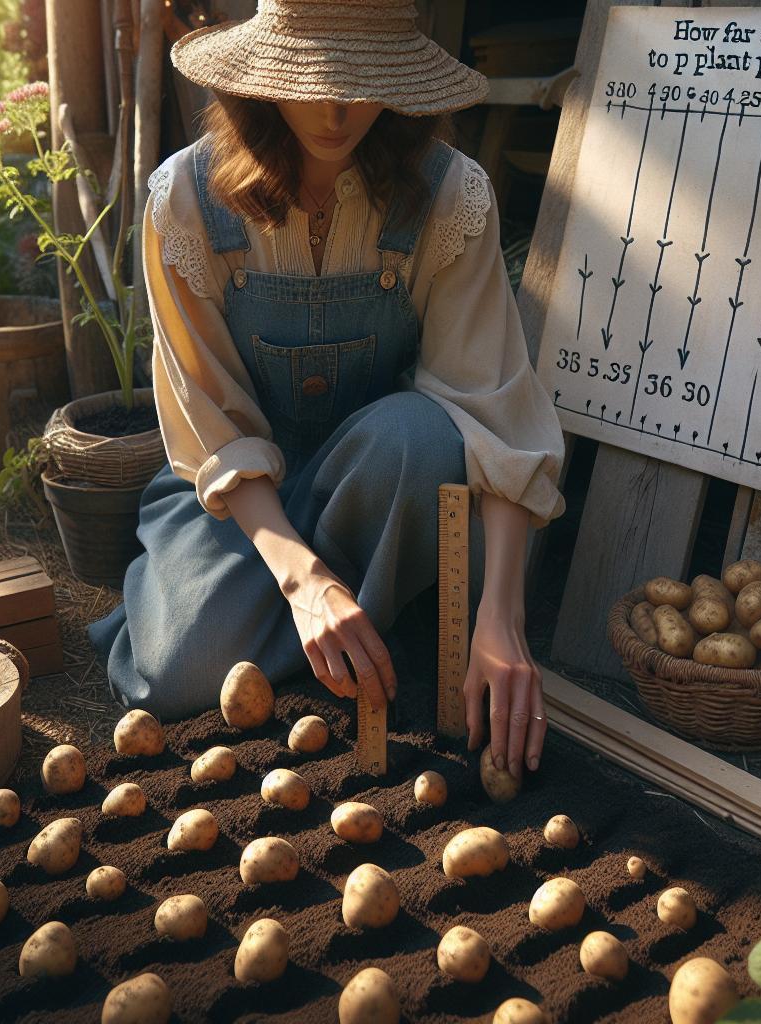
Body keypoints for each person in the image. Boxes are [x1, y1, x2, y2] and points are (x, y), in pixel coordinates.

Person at [88, 0, 567, 781]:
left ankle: (331, 622)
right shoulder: (186, 200)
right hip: (240, 500)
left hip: (384, 486)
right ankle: (340, 615)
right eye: (311, 79)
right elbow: (209, 425)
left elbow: (495, 414)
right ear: (262, 76)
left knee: (420, 433)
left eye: (363, 80)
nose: (338, 110)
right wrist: (304, 581)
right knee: (176, 676)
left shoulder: (450, 197)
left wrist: (503, 621)